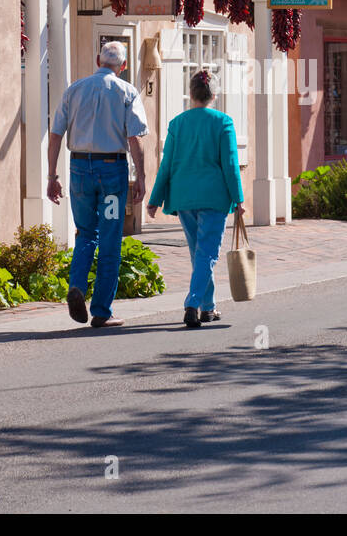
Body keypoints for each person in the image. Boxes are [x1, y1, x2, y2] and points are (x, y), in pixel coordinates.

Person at [47, 41, 147, 328]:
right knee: (111, 237)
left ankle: (77, 284)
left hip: (79, 169)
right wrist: (140, 175)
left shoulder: (74, 90)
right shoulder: (127, 91)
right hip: (111, 173)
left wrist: (52, 176)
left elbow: (55, 136)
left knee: (86, 233)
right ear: (123, 66)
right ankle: (102, 309)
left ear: (97, 60)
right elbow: (134, 138)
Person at [147, 70, 245, 328]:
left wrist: (155, 199)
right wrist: (239, 199)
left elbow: (166, 165)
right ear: (214, 95)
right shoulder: (223, 122)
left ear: (191, 94)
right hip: (214, 197)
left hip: (184, 196)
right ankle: (192, 303)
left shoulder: (178, 123)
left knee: (199, 254)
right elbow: (231, 164)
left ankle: (208, 307)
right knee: (207, 254)